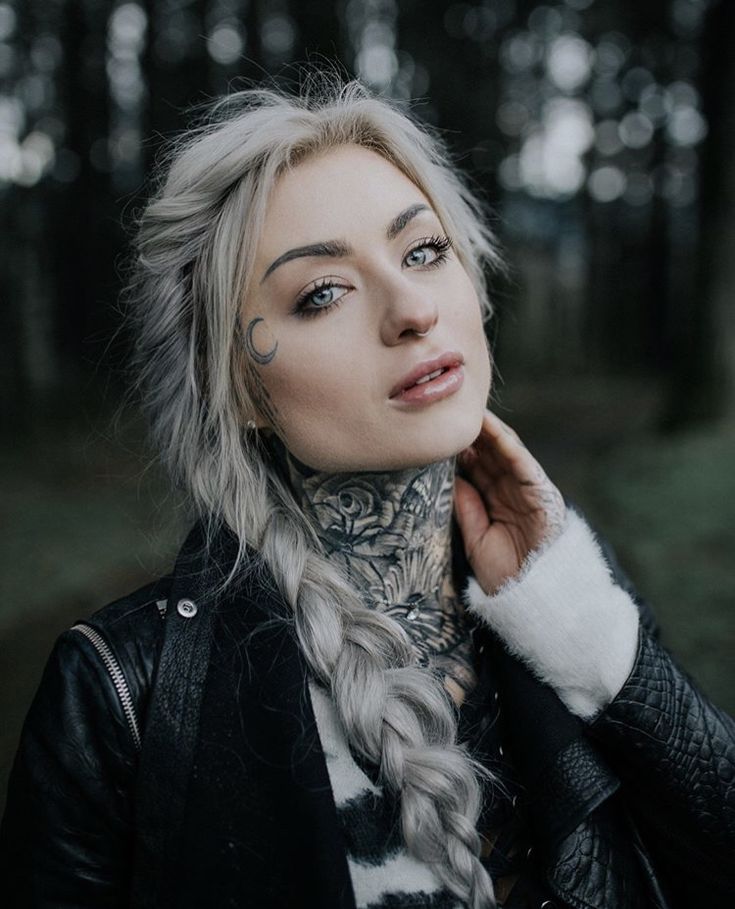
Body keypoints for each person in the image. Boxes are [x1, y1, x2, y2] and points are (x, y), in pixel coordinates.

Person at [1, 76, 733, 909]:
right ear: (240, 389)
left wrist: (583, 622)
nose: (412, 309)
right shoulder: (122, 689)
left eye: (423, 251)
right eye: (322, 294)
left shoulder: (562, 609)